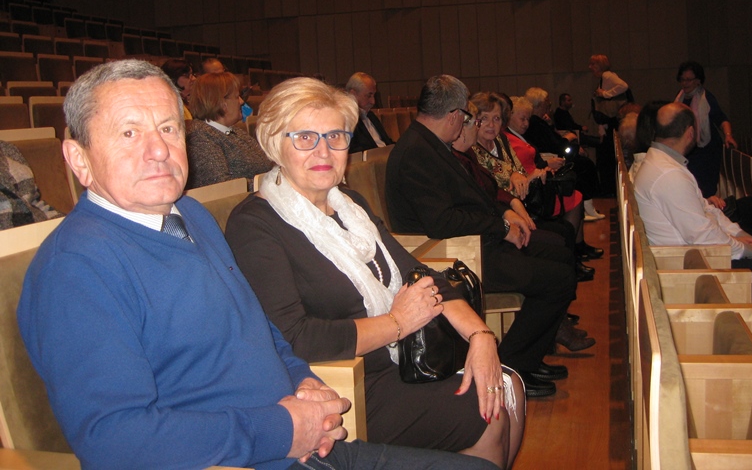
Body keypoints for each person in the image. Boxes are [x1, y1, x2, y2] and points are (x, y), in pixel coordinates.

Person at [16, 60, 495, 470]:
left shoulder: (190, 216)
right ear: (78, 159)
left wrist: (304, 383)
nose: (159, 149)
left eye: (168, 128)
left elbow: (260, 329)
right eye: (129, 132)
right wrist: (282, 428)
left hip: (295, 441)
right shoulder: (77, 269)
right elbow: (113, 441)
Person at [225, 77, 523, 469]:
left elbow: (418, 273)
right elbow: (296, 338)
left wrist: (480, 337)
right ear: (273, 143)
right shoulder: (254, 224)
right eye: (305, 137)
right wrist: (397, 323)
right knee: (490, 409)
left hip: (399, 359)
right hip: (343, 383)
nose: (323, 151)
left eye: (335, 136)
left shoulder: (349, 205)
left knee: (508, 385)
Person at [387, 75, 580, 398]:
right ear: (453, 115)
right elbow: (442, 222)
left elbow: (473, 198)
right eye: (465, 116)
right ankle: (513, 366)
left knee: (560, 257)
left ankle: (528, 358)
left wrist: (504, 217)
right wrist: (501, 228)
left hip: (473, 243)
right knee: (558, 278)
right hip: (452, 257)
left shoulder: (430, 144)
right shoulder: (417, 152)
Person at [633, 103, 752, 352]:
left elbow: (707, 209)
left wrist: (740, 235)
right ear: (691, 132)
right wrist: (749, 251)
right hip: (694, 263)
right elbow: (702, 236)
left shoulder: (664, 163)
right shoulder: (668, 175)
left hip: (698, 253)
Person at [470, 92, 602, 275]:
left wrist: (527, 176)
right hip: (505, 215)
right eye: (484, 118)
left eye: (496, 118)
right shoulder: (472, 151)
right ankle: (570, 270)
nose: (491, 125)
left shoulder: (501, 140)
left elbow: (520, 173)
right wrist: (520, 178)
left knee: (565, 224)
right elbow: (493, 190)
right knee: (561, 234)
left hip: (526, 202)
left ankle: (573, 265)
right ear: (474, 121)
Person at [522, 87, 604, 222]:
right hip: (552, 158)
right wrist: (570, 140)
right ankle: (585, 207)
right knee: (584, 165)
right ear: (539, 104)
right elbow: (556, 145)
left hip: (555, 154)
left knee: (584, 163)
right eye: (546, 103)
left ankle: (587, 206)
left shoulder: (540, 121)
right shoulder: (535, 123)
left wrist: (551, 125)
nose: (549, 106)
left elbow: (554, 140)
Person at [185, 71, 272, 190]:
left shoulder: (234, 131)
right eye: (236, 97)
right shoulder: (199, 138)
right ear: (222, 103)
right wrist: (272, 184)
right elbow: (222, 187)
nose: (241, 102)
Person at [674, 60, 737, 198]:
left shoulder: (706, 98)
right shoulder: (680, 98)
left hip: (706, 151)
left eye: (689, 80)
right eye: (682, 79)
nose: (685, 83)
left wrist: (728, 135)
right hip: (688, 150)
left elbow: (721, 118)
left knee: (705, 189)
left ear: (698, 81)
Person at [589, 54, 630, 197]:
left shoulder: (607, 76)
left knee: (607, 157)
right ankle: (609, 188)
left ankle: (609, 189)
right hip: (609, 123)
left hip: (611, 123)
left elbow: (624, 86)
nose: (590, 67)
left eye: (593, 64)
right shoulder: (605, 77)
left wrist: (605, 94)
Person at [0, 140, 63, 230]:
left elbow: (33, 202)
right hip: (13, 235)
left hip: (37, 229)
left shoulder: (7, 150)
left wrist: (66, 224)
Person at [345, 72, 395, 153]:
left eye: (374, 95)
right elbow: (356, 152)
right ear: (353, 94)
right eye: (369, 96)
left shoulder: (371, 116)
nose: (373, 101)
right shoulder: (346, 120)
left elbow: (387, 142)